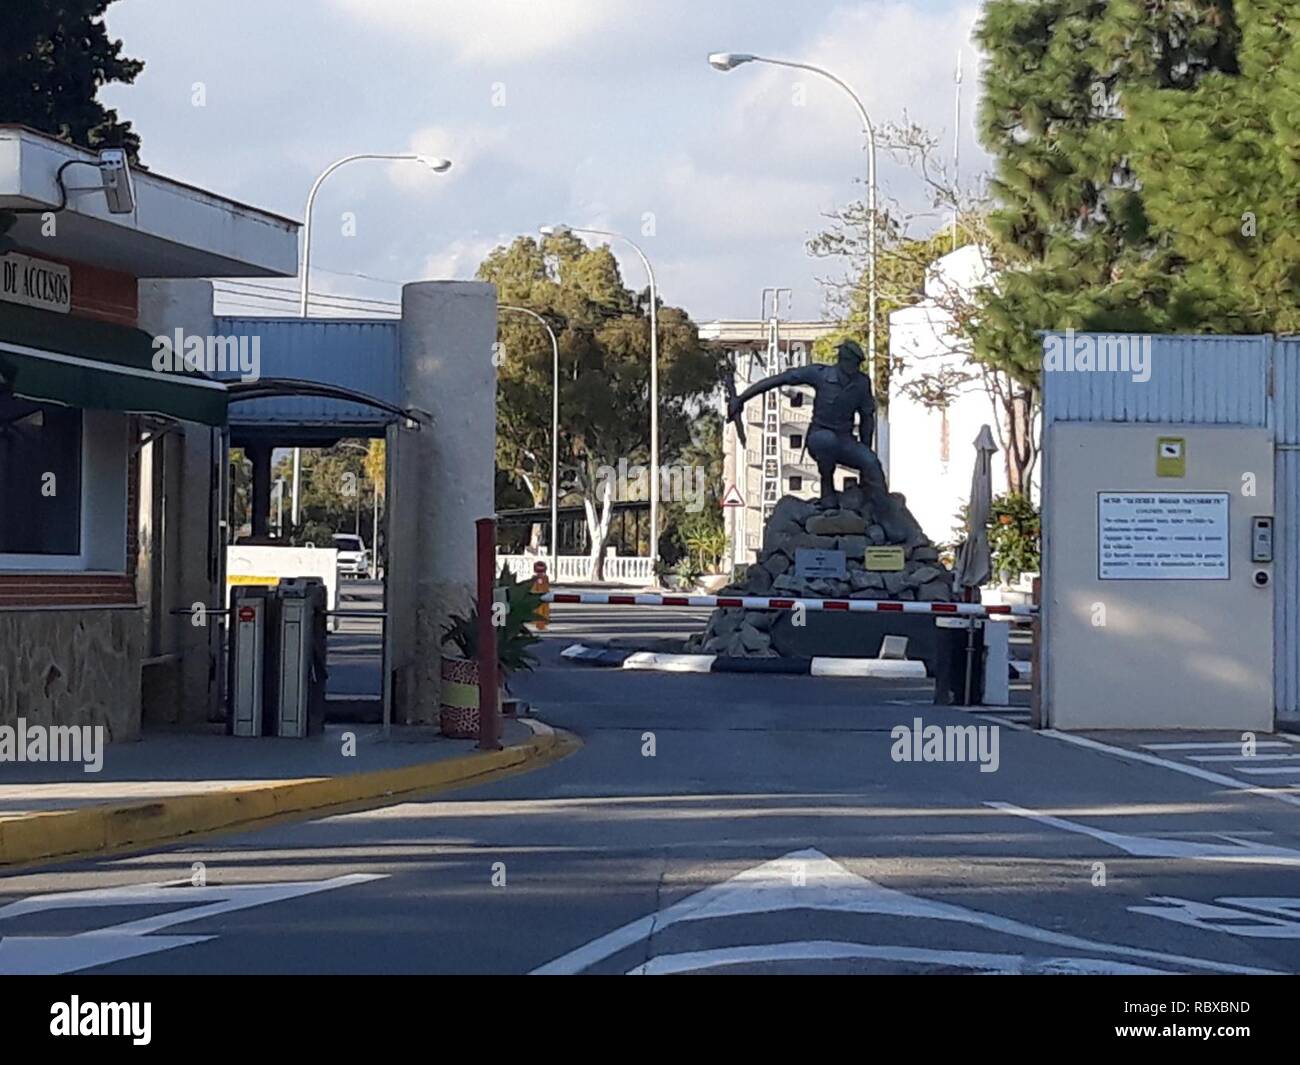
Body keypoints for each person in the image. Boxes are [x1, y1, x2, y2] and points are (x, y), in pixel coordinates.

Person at [726, 339, 924, 546]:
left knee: (872, 463)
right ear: (842, 360)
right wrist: (741, 399)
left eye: (856, 364)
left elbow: (867, 418)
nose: (852, 368)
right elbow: (780, 379)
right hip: (820, 436)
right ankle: (827, 491)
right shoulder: (820, 374)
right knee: (826, 441)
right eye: (850, 362)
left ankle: (885, 516)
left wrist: (866, 450)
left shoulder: (861, 383)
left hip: (846, 440)